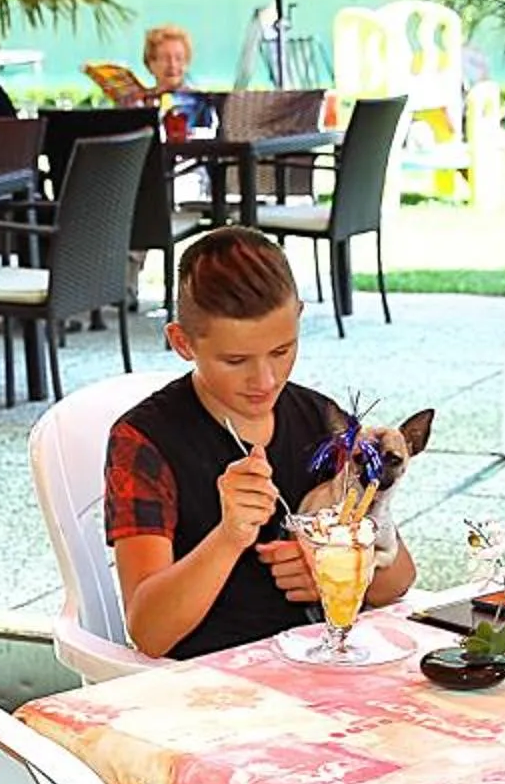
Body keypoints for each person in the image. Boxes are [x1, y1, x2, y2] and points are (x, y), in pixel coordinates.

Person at [107, 227, 416, 660]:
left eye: (282, 350)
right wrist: (229, 536)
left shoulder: (321, 422)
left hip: (321, 673)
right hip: (207, 683)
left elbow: (397, 582)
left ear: (299, 318)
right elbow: (150, 632)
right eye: (235, 361)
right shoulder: (146, 441)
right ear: (181, 342)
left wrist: (336, 571)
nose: (265, 380)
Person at [140, 22, 212, 131]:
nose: (173, 65)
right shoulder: (140, 103)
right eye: (164, 58)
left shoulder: (200, 103)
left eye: (179, 58)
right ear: (150, 64)